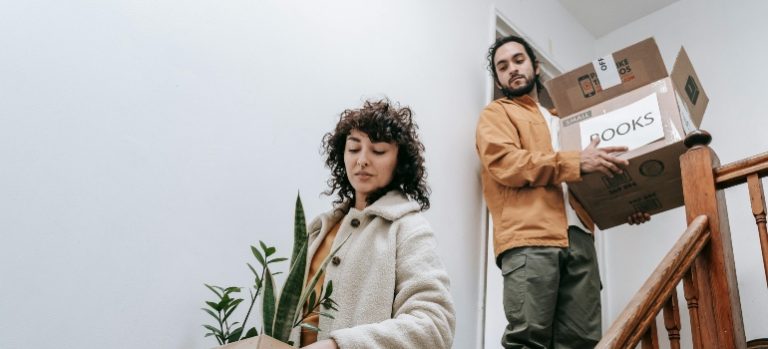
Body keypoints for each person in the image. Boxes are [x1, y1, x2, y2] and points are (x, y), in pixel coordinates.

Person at [475, 35, 651, 348]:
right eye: (502, 67)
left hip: (581, 239)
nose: (512, 69)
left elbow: (595, 173)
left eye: (519, 60)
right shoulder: (497, 114)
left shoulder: (568, 120)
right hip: (530, 240)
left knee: (582, 343)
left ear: (536, 66)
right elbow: (507, 164)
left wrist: (628, 203)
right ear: (499, 80)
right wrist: (575, 161)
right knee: (528, 340)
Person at [296, 99, 455, 349]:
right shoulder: (319, 229)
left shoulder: (408, 228)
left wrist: (340, 346)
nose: (362, 160)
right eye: (353, 148)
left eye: (378, 151)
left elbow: (434, 326)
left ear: (399, 161)